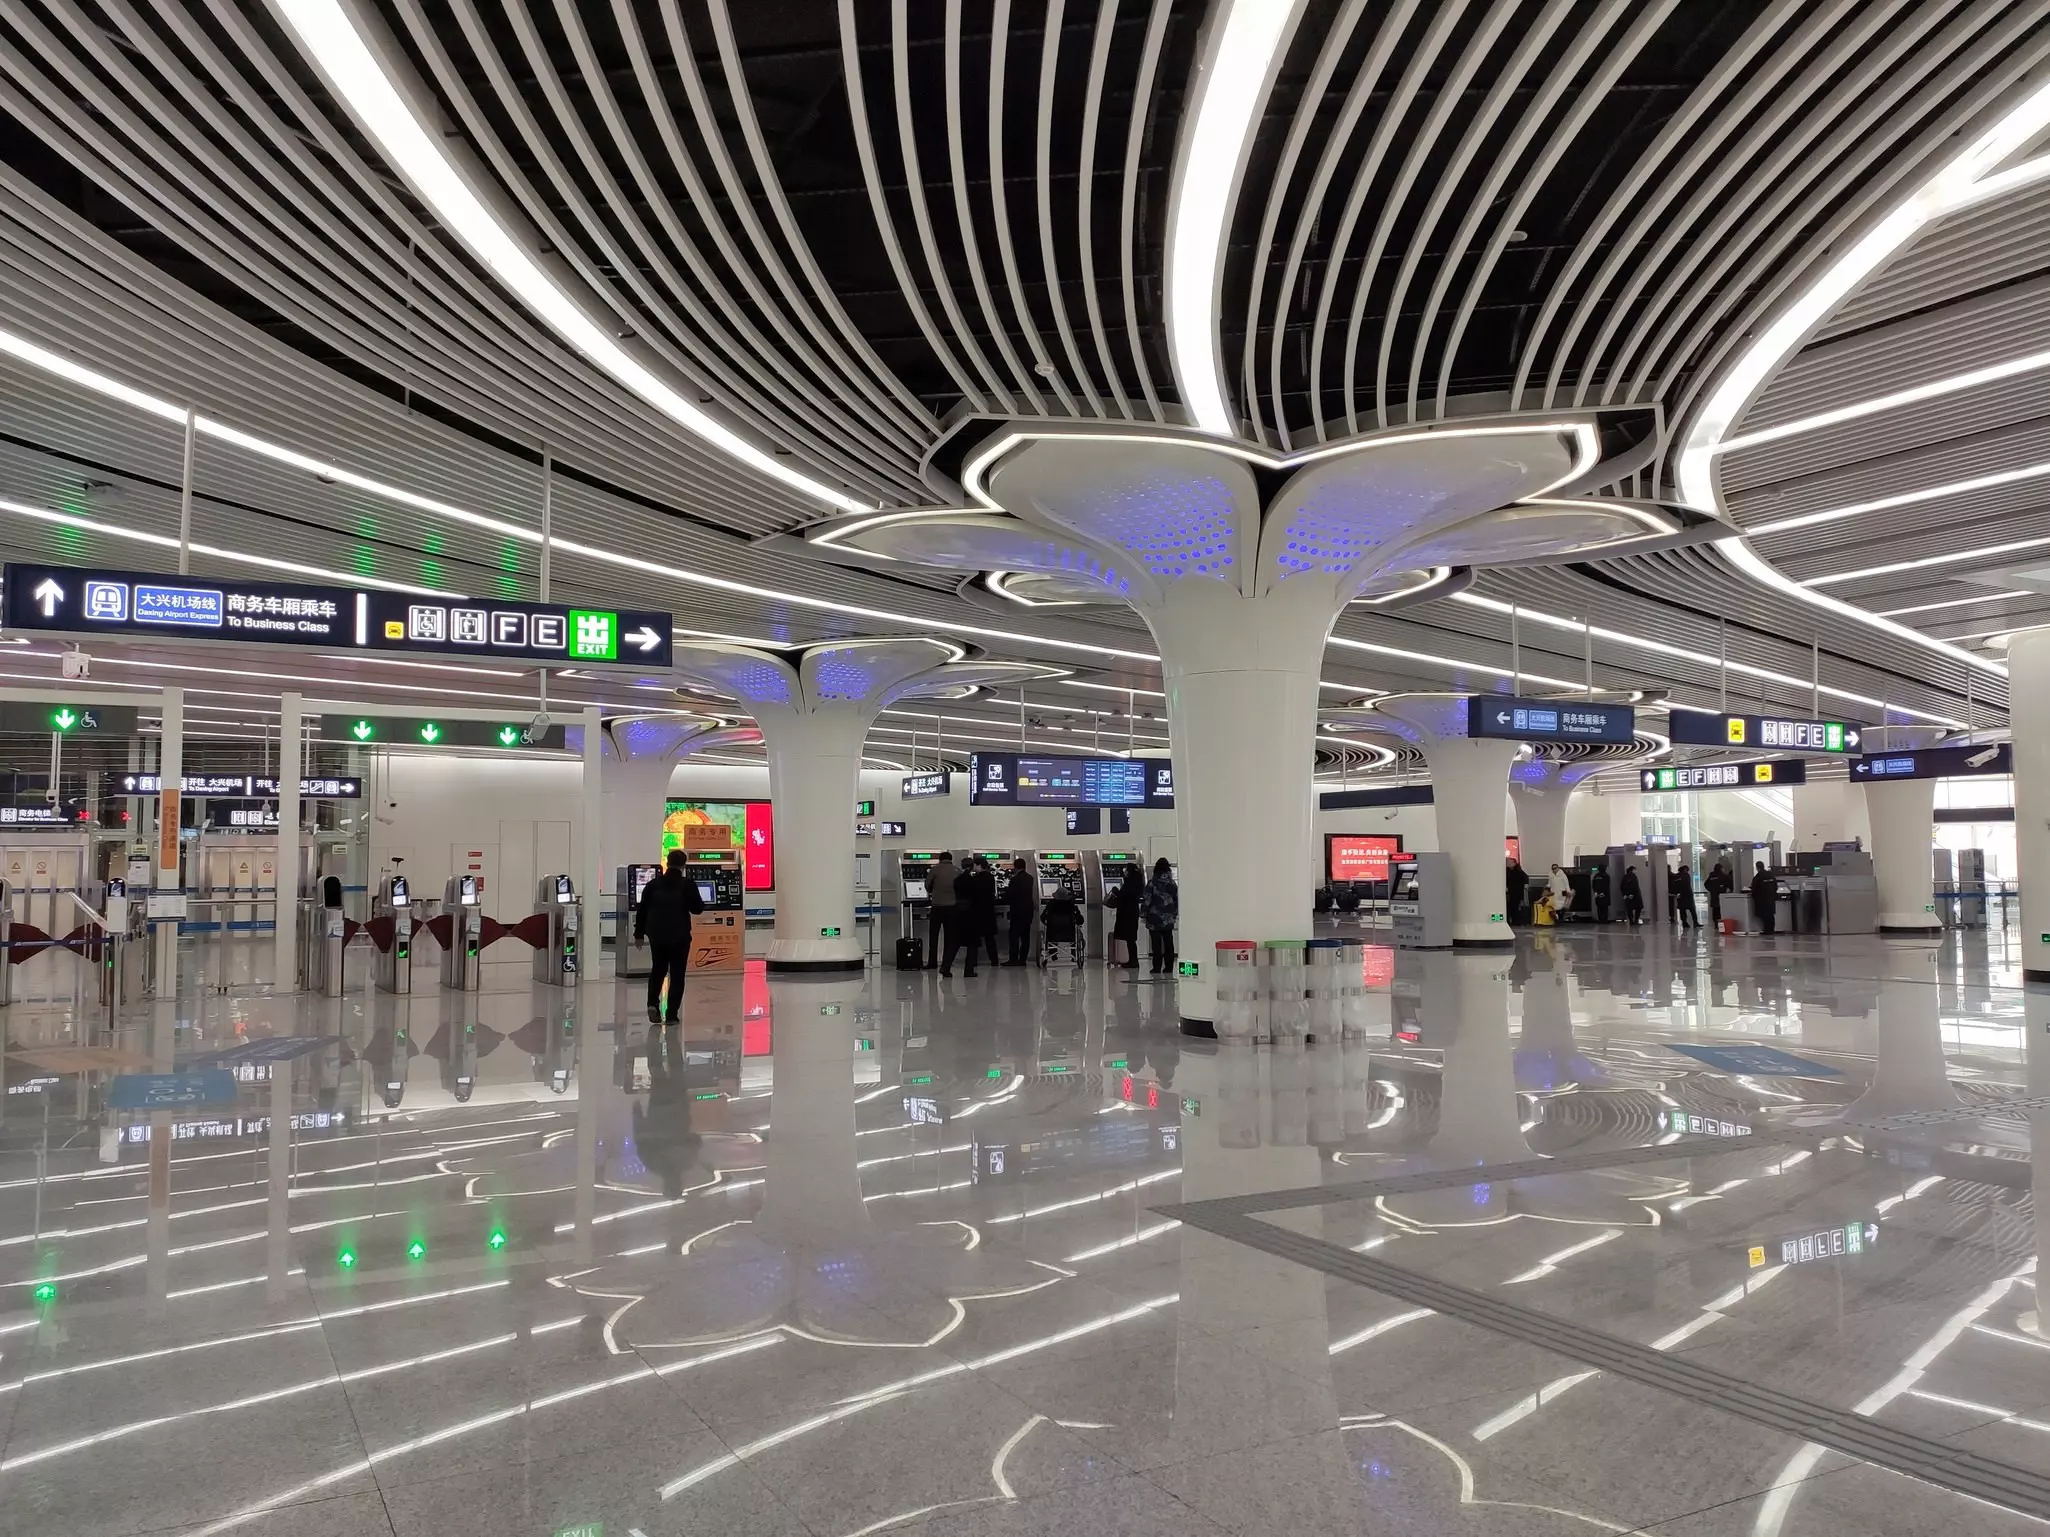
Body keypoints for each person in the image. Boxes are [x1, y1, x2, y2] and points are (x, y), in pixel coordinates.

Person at [634, 848, 704, 1024]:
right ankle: (671, 1014)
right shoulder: (687, 884)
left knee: (658, 969)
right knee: (677, 973)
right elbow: (697, 909)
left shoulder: (653, 884)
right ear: (683, 865)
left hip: (657, 934)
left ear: (667, 862)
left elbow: (642, 910)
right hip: (679, 935)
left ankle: (652, 1004)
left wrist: (639, 934)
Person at [942, 856, 993, 977]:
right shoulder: (974, 881)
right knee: (972, 944)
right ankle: (968, 970)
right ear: (972, 866)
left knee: (954, 943)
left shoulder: (957, 880)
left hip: (958, 914)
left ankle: (946, 967)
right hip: (971, 915)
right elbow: (977, 897)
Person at [1142, 857, 1179, 974]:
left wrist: (1143, 914)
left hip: (1154, 918)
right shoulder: (1172, 884)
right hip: (1169, 918)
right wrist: (1174, 914)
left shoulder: (1152, 883)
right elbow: (1176, 900)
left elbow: (1147, 900)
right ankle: (1169, 967)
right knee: (1169, 942)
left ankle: (1156, 967)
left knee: (1156, 943)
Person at [924, 851, 957, 970]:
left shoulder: (935, 870)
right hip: (952, 907)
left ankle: (932, 962)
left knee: (934, 935)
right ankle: (946, 962)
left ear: (940, 859)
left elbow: (927, 885)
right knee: (949, 936)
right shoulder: (957, 870)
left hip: (937, 906)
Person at [1003, 857, 1036, 965]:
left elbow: (1010, 895)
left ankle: (1013, 959)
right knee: (1025, 937)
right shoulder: (1030, 878)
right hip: (1028, 911)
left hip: (1017, 911)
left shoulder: (1015, 879)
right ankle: (1023, 959)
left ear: (1015, 867)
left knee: (1014, 935)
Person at [1110, 870, 1142, 968]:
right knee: (1131, 938)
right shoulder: (1137, 884)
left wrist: (1116, 891)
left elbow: (1123, 897)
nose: (1124, 872)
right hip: (1133, 913)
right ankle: (1132, 959)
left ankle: (1133, 960)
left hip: (1126, 914)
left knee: (1129, 938)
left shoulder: (1128, 885)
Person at [1750, 861, 1779, 935]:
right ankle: (1771, 930)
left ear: (1757, 868)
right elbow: (1776, 886)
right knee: (1770, 915)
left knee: (1764, 915)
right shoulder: (1771, 875)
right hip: (1771, 898)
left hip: (1762, 900)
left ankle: (1767, 930)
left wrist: (1754, 897)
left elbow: (1754, 890)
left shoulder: (1757, 877)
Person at [1704, 861, 1731, 928]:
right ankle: (1721, 925)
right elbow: (1730, 882)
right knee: (1721, 910)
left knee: (1715, 910)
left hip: (1714, 896)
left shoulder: (1711, 876)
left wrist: (1711, 890)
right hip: (1722, 896)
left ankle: (1716, 924)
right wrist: (1725, 889)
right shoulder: (1722, 875)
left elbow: (1706, 884)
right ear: (1721, 868)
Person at [1670, 862, 1698, 929]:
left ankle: (1684, 923)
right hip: (1688, 894)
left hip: (1680, 895)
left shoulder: (1675, 876)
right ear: (1685, 870)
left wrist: (1677, 892)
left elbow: (1673, 886)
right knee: (1692, 909)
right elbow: (1687, 884)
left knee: (1682, 910)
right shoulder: (1686, 875)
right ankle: (1695, 923)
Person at [1506, 859, 1530, 925]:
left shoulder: (1518, 871)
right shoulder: (1506, 871)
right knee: (1509, 907)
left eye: (1509, 862)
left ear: (1514, 863)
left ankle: (1515, 921)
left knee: (1515, 907)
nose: (1507, 863)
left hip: (1517, 892)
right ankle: (1509, 921)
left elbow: (1525, 877)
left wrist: (1526, 885)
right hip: (1509, 891)